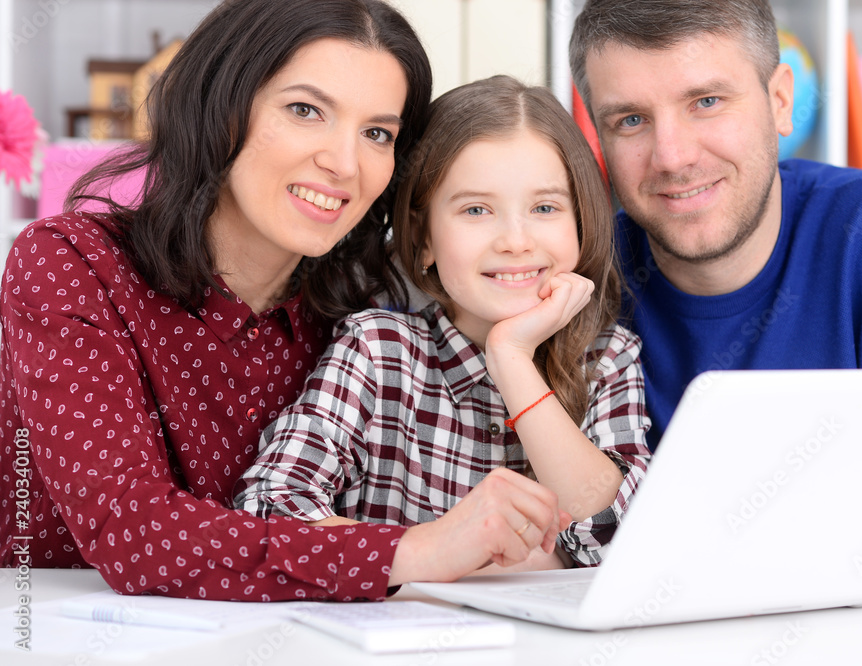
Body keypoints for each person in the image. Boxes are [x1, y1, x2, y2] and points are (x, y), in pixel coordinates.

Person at [0, 0, 565, 603]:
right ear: (223, 105)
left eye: (377, 133)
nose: (344, 164)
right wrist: (420, 549)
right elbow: (135, 533)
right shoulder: (71, 263)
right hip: (55, 626)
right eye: (305, 110)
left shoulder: (359, 313)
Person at [569, 0, 862, 581]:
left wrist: (678, 541)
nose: (672, 158)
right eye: (630, 121)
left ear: (780, 101)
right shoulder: (579, 280)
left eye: (706, 102)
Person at [234, 75, 651, 570]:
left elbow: (623, 544)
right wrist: (446, 554)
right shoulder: (377, 350)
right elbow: (268, 512)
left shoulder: (606, 356)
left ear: (581, 223)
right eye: (476, 209)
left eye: (544, 207)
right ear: (424, 236)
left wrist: (512, 359)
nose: (515, 241)